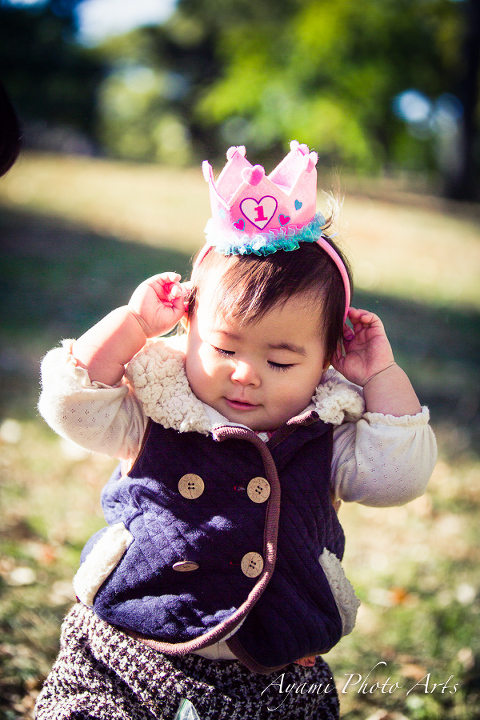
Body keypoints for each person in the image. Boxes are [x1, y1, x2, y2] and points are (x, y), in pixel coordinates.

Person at [35, 142, 437, 720]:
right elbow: (71, 404)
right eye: (223, 347)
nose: (245, 374)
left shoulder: (327, 431)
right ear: (188, 325)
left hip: (275, 665)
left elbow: (399, 477)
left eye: (280, 362)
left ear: (327, 359)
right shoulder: (158, 404)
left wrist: (380, 376)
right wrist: (131, 326)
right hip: (130, 643)